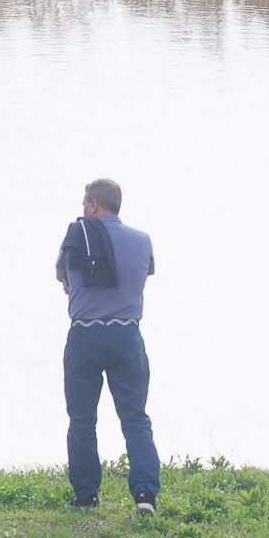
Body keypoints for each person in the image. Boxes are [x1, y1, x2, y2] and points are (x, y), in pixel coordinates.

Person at [53, 176, 159, 512]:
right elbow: (142, 276)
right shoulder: (142, 240)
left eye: (85, 203)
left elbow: (62, 277)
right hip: (126, 335)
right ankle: (145, 496)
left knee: (82, 419)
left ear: (94, 204)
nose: (82, 209)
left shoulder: (76, 236)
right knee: (135, 419)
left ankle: (85, 496)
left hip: (84, 335)